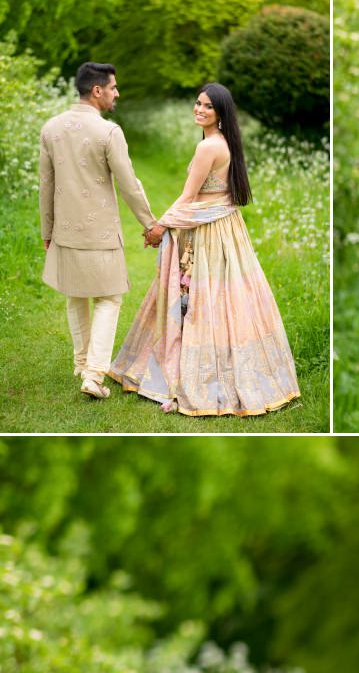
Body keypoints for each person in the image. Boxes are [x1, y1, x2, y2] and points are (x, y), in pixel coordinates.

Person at [109, 82, 301, 416]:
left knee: (207, 299)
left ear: (221, 112)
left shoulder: (208, 147)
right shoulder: (226, 142)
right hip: (227, 228)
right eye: (197, 104)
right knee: (230, 299)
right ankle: (236, 366)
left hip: (211, 232)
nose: (199, 109)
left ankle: (205, 374)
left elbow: (188, 198)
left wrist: (159, 228)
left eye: (208, 106)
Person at [38, 62, 159, 400]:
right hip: (101, 236)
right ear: (97, 90)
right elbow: (129, 185)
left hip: (64, 231)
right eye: (113, 87)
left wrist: (47, 230)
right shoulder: (109, 132)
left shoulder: (51, 128)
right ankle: (93, 374)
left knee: (75, 294)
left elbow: (45, 186)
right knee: (109, 298)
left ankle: (81, 363)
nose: (116, 93)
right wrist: (150, 225)